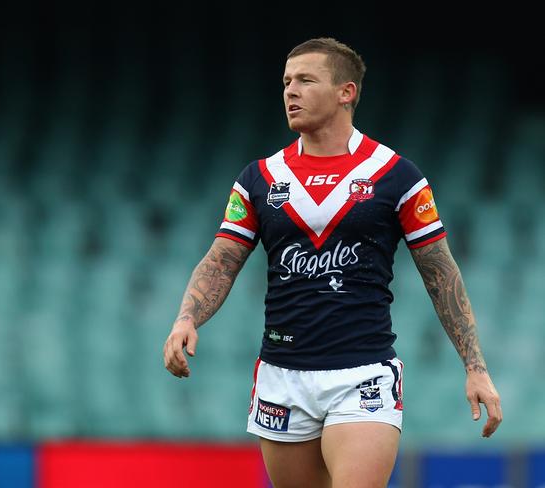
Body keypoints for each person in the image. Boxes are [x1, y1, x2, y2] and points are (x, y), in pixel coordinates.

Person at [163, 37, 502, 488]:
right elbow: (221, 258)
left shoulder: (396, 174)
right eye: (286, 81)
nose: (290, 91)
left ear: (347, 92)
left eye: (306, 80)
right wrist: (187, 317)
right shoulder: (259, 178)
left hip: (362, 372)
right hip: (282, 374)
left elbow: (440, 272)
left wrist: (475, 367)